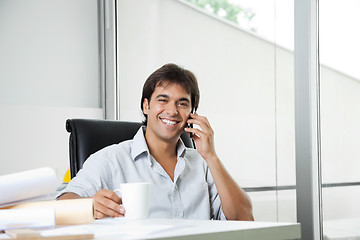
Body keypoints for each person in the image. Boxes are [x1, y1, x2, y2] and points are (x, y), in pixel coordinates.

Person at [58, 63, 254, 221]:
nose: (172, 111)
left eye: (182, 103)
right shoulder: (110, 159)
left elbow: (245, 219)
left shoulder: (203, 164)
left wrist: (211, 156)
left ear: (192, 114)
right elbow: (60, 207)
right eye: (163, 100)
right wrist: (89, 205)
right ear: (146, 106)